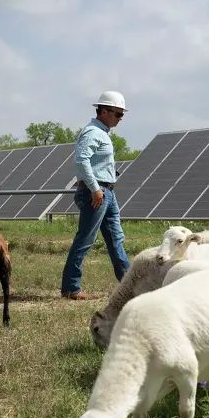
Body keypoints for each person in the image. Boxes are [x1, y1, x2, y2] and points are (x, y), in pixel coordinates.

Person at [60, 91, 131, 299]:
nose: (120, 118)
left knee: (116, 238)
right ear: (105, 111)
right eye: (118, 114)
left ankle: (129, 284)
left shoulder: (103, 133)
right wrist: (95, 189)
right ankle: (71, 288)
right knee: (85, 239)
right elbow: (81, 161)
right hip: (96, 193)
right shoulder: (92, 132)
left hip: (107, 192)